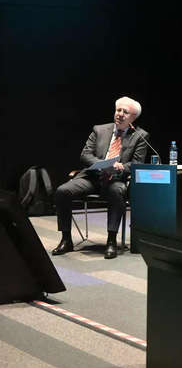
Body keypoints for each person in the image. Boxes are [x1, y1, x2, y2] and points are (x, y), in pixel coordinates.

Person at [52, 97, 149, 260]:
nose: (120, 114)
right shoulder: (99, 130)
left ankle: (111, 240)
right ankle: (66, 239)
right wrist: (102, 164)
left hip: (115, 179)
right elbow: (85, 155)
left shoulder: (140, 136)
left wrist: (121, 167)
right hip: (92, 177)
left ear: (133, 117)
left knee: (117, 192)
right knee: (62, 191)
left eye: (125, 112)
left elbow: (137, 163)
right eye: (118, 110)